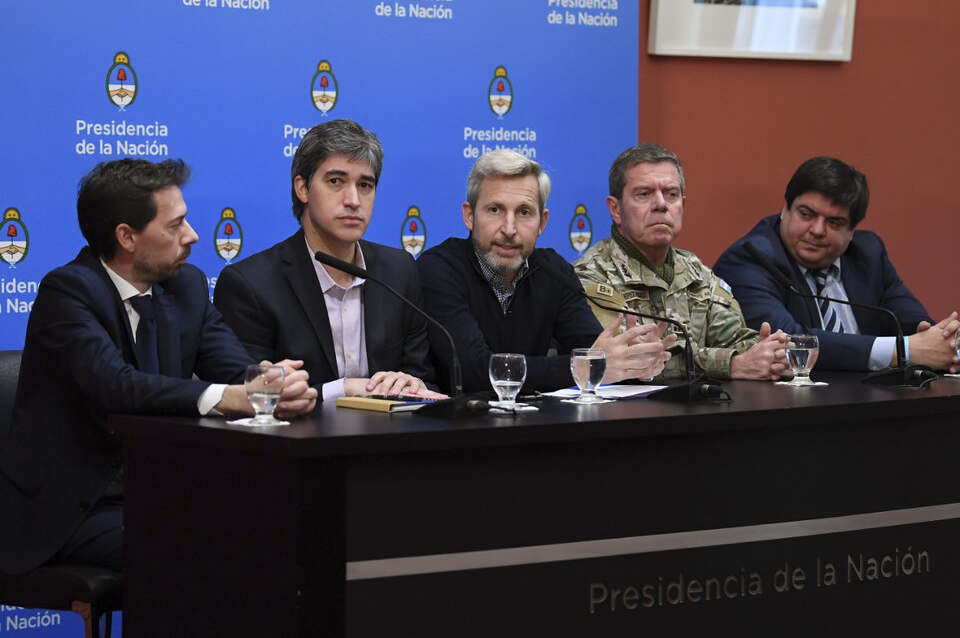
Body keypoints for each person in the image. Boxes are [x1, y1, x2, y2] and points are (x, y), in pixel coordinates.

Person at [0, 158, 317, 575]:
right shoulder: (68, 293)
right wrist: (233, 397)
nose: (193, 236)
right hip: (72, 509)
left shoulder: (184, 285)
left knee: (277, 524)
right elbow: (119, 386)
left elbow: (234, 366)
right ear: (127, 237)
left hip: (158, 491)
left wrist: (274, 384)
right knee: (198, 547)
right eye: (175, 226)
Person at [214, 119, 442, 400]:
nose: (354, 200)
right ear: (303, 189)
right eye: (336, 181)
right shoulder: (250, 285)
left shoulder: (399, 271)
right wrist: (342, 390)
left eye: (365, 185)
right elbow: (249, 395)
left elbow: (426, 380)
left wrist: (409, 382)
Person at [417, 149, 674, 394]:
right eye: (495, 210)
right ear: (469, 216)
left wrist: (634, 362)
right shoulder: (439, 269)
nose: (509, 228)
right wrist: (582, 367)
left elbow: (594, 353)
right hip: (456, 431)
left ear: (542, 222)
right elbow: (473, 372)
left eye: (524, 212)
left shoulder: (552, 270)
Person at [714, 155, 959, 373]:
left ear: (852, 231)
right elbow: (789, 342)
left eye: (834, 223)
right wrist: (903, 351)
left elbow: (907, 316)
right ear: (784, 210)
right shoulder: (749, 260)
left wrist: (942, 341)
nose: (817, 230)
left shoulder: (868, 253)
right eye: (806, 214)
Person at [575, 143, 789, 381]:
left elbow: (736, 339)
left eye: (671, 194)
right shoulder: (591, 275)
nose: (661, 204)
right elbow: (632, 365)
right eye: (644, 194)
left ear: (682, 205)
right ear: (615, 209)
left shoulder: (696, 271)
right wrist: (732, 364)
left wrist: (770, 355)